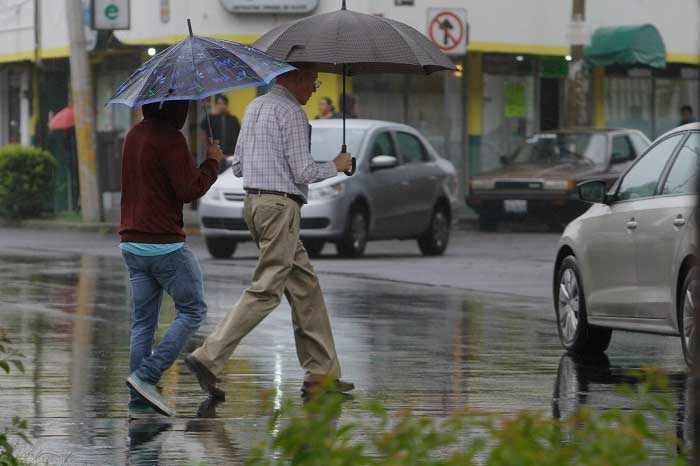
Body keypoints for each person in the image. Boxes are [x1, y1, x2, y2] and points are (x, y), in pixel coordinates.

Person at [185, 63, 355, 398]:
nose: (315, 89)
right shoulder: (291, 113)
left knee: (305, 287)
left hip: (255, 205)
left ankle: (321, 374)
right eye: (313, 81)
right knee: (266, 290)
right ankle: (208, 356)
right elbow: (303, 171)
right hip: (281, 207)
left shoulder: (255, 106)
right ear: (297, 77)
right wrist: (336, 165)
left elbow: (239, 166)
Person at [120, 100, 224, 418]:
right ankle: (147, 375)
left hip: (131, 242)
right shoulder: (170, 138)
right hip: (164, 244)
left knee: (143, 323)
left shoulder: (134, 134)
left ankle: (141, 397)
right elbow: (188, 188)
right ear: (175, 109)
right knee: (193, 311)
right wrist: (211, 162)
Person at [200, 94, 241, 168]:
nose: (221, 106)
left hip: (230, 155)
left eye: (224, 104)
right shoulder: (210, 118)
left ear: (227, 105)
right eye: (219, 104)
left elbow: (239, 137)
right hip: (215, 155)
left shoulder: (233, 119)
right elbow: (203, 133)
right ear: (215, 105)